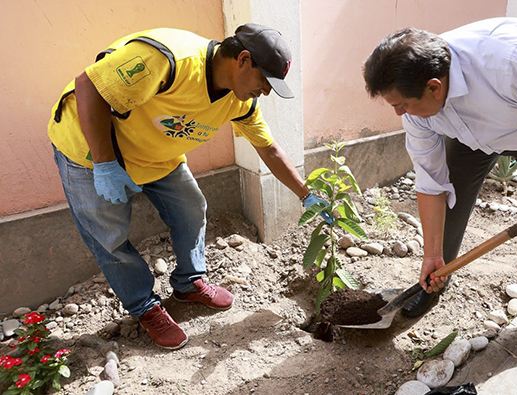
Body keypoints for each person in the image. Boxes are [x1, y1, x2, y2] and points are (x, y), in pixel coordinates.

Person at [48, 23, 327, 350]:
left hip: (155, 154)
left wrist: (306, 195)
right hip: (90, 147)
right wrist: (106, 165)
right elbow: (89, 86)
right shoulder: (169, 59)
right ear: (243, 60)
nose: (266, 91)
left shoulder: (240, 101)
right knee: (108, 236)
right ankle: (145, 306)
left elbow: (268, 149)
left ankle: (188, 283)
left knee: (191, 209)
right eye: (266, 80)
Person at [363, 17, 517, 374]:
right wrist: (431, 253)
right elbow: (431, 183)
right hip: (471, 139)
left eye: (402, 104)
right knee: (448, 209)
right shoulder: (419, 106)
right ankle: (434, 282)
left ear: (435, 87)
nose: (398, 113)